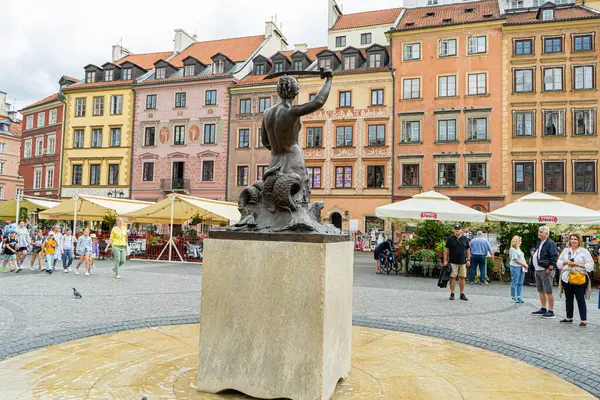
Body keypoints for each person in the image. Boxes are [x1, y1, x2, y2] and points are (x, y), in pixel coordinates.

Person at [557, 232, 594, 328]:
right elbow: (559, 263)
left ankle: (583, 320)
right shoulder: (566, 251)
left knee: (580, 299)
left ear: (579, 241)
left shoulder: (584, 251)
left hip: (579, 277)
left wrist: (577, 265)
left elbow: (590, 266)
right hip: (566, 277)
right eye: (571, 239)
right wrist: (565, 262)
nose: (573, 241)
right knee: (568, 298)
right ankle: (569, 317)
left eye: (575, 239)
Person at [530, 226, 559, 319]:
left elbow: (554, 257)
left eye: (541, 232)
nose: (539, 233)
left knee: (548, 291)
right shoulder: (540, 243)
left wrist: (550, 268)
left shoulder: (550, 243)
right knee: (541, 290)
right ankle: (543, 308)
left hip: (545, 270)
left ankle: (551, 311)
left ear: (547, 234)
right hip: (538, 269)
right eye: (539, 231)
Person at [444, 224, 470, 301]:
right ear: (453, 230)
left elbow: (468, 250)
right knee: (453, 277)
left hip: (463, 262)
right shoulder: (450, 239)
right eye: (455, 229)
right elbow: (446, 250)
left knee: (462, 278)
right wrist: (445, 260)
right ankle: (452, 293)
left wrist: (468, 260)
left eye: (458, 229)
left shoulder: (465, 239)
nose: (456, 230)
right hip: (452, 262)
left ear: (461, 230)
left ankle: (462, 294)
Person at [508, 236, 528, 303]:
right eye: (520, 240)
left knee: (520, 282)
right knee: (515, 282)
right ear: (517, 241)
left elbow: (522, 257)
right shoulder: (512, 249)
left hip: (521, 267)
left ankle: (519, 296)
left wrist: (525, 264)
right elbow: (515, 260)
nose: (521, 242)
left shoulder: (518, 248)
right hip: (515, 266)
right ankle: (513, 297)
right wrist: (524, 264)